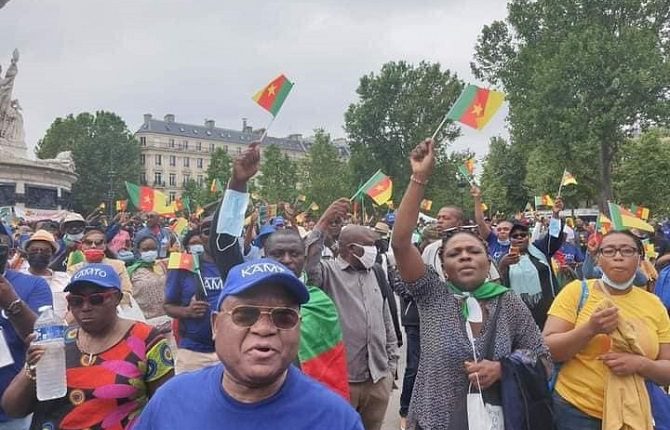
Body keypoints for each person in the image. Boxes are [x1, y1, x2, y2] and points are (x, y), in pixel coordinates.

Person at [391, 139, 550, 430]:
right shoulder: (433, 295)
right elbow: (400, 243)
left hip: (495, 421)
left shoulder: (508, 302)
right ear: (443, 268)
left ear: (488, 261)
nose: (465, 256)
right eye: (455, 254)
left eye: (473, 251)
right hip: (434, 422)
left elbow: (542, 357)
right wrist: (419, 178)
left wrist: (502, 369)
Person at [135, 258, 363, 430]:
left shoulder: (336, 419)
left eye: (284, 317)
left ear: (298, 327)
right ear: (216, 325)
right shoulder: (171, 400)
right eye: (245, 315)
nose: (264, 329)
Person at [208, 145, 350, 399]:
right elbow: (223, 244)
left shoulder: (318, 297)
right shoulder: (248, 287)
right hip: (253, 399)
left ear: (304, 258)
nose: (286, 260)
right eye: (278, 254)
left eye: (294, 254)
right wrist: (238, 183)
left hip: (308, 400)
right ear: (264, 256)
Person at [1, 263, 174, 429]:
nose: (85, 307)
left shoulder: (147, 340)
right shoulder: (59, 341)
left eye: (96, 299)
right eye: (76, 301)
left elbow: (166, 409)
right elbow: (13, 409)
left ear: (117, 298)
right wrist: (32, 368)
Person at [544, 230, 670, 429]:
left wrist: (640, 364)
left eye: (627, 251)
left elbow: (667, 369)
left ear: (640, 260)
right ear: (598, 259)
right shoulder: (576, 291)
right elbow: (549, 349)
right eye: (609, 251)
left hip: (633, 411)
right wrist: (590, 329)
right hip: (576, 411)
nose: (618, 256)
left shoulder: (654, 305)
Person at [306, 202, 399, 430]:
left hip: (377, 379)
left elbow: (385, 318)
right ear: (350, 249)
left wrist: (391, 365)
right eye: (369, 246)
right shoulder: (327, 272)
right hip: (343, 380)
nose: (374, 250)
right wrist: (323, 222)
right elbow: (308, 262)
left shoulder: (375, 272)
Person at [0, 223, 52, 430]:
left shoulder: (34, 285)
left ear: (9, 251)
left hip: (12, 410)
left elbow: (43, 340)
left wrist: (12, 302)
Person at [164, 219, 223, 374]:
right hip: (194, 353)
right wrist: (187, 311)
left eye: (218, 231)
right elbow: (168, 306)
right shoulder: (182, 266)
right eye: (207, 232)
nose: (213, 236)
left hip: (230, 352)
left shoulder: (235, 264)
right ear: (201, 236)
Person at [498, 207, 565, 329]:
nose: (519, 237)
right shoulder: (504, 258)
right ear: (510, 239)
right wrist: (502, 266)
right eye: (515, 236)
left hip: (547, 313)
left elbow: (554, 237)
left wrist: (555, 214)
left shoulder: (540, 249)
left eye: (523, 235)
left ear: (528, 237)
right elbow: (498, 285)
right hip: (519, 317)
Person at [19, 230, 70, 322]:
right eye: (34, 250)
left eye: (45, 251)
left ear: (52, 254)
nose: (39, 253)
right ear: (27, 252)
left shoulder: (65, 279)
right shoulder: (17, 278)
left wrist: (65, 324)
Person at [67, 227, 133, 299]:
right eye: (88, 243)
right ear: (82, 246)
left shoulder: (118, 266)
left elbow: (127, 292)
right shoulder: (74, 269)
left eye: (98, 243)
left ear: (105, 246)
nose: (93, 246)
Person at [127, 235, 168, 324]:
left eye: (153, 249)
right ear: (138, 250)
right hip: (144, 320)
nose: (150, 252)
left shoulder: (162, 265)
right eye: (145, 249)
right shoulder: (131, 271)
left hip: (167, 318)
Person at [472, 185, 512, 263]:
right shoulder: (492, 239)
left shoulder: (519, 244)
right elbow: (480, 222)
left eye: (506, 229)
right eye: (499, 229)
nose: (502, 231)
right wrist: (477, 198)